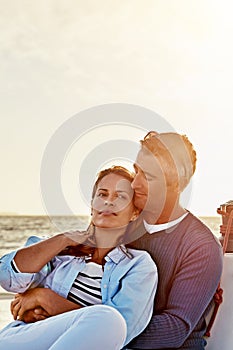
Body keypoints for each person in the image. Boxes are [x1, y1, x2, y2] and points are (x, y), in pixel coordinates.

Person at [0, 166, 158, 350]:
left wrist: (45, 299)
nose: (108, 202)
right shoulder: (58, 251)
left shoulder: (138, 265)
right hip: (24, 338)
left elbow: (122, 330)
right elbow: (7, 277)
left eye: (121, 197)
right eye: (102, 194)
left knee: (111, 319)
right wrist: (64, 239)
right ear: (92, 205)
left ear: (134, 213)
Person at [123, 131, 223, 349]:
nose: (134, 184)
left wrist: (89, 324)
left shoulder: (201, 246)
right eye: (136, 171)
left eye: (148, 177)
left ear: (176, 184)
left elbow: (174, 329)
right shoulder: (123, 228)